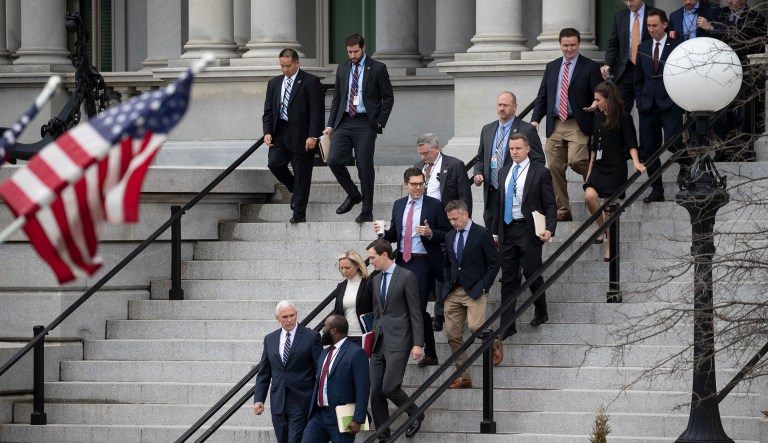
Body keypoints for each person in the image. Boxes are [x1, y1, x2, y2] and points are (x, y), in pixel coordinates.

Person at [372, 167, 450, 368]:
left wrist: (431, 232)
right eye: (414, 184)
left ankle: (420, 347)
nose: (418, 187)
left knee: (417, 306)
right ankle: (427, 351)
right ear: (405, 185)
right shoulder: (399, 205)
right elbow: (396, 234)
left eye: (421, 183)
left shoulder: (434, 205)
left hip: (423, 262)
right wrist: (383, 234)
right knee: (409, 307)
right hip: (402, 261)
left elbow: (447, 233)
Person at [491, 133, 557, 361]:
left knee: (531, 271)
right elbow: (498, 203)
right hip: (508, 229)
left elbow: (550, 203)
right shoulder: (503, 172)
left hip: (529, 229)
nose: (514, 152)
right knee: (508, 277)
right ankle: (507, 324)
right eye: (511, 149)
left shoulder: (540, 172)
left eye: (518, 148)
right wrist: (495, 230)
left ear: (528, 149)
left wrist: (550, 227)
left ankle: (541, 310)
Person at [531, 28, 602, 222]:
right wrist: (536, 119)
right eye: (565, 45)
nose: (569, 49)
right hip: (555, 123)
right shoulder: (552, 66)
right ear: (560, 45)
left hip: (577, 122)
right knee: (554, 165)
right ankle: (562, 209)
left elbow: (600, 93)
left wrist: (596, 104)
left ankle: (599, 177)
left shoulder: (590, 66)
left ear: (578, 44)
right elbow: (543, 96)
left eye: (573, 45)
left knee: (576, 160)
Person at [323, 34, 395, 223]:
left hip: (365, 122)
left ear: (363, 48)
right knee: (333, 160)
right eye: (349, 52)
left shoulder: (378, 68)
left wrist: (380, 121)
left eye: (356, 51)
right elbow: (337, 98)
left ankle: (367, 209)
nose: (353, 55)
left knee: (364, 166)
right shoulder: (343, 68)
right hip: (344, 121)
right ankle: (353, 194)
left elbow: (388, 97)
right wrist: (330, 125)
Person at [413, 132, 473, 332]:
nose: (423, 157)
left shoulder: (454, 165)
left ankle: (440, 314)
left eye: (426, 153)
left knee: (443, 271)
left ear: (436, 148)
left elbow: (465, 196)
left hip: (447, 224)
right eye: (421, 153)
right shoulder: (418, 167)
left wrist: (462, 224)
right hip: (423, 225)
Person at [366, 239, 425, 440]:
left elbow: (415, 311)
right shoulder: (375, 279)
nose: (370, 261)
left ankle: (415, 412)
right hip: (378, 342)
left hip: (400, 340)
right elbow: (376, 312)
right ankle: (383, 436)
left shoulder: (407, 276)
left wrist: (417, 343)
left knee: (389, 387)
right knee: (375, 392)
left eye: (372, 257)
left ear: (384, 255)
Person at [583, 82, 646, 261]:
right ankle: (602, 228)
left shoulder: (623, 117)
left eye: (598, 100)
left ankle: (611, 247)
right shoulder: (598, 116)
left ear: (608, 99)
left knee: (609, 207)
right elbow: (594, 147)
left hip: (616, 167)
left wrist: (636, 162)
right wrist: (589, 171)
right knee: (589, 196)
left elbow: (631, 142)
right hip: (599, 166)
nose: (595, 103)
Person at [441, 199, 500, 386]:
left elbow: (494, 262)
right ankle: (464, 376)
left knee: (476, 328)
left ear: (465, 214)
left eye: (455, 218)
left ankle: (494, 341)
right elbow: (447, 263)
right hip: (453, 291)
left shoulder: (482, 233)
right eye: (450, 219)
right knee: (452, 334)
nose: (453, 222)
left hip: (475, 290)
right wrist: (447, 281)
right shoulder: (449, 236)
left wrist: (484, 286)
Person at [262, 48, 325, 224]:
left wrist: (313, 136)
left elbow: (317, 112)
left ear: (297, 63)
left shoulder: (311, 82)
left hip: (302, 134)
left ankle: (299, 213)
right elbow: (268, 110)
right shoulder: (274, 83)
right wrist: (267, 131)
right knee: (274, 163)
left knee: (302, 173)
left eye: (288, 66)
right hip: (280, 132)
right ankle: (296, 190)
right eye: (282, 66)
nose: (285, 70)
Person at [634, 8, 690, 203]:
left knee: (674, 142)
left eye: (654, 25)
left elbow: (685, 76)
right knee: (649, 150)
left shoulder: (677, 46)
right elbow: (638, 79)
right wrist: (639, 101)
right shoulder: (642, 47)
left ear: (665, 25)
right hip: (648, 106)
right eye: (648, 25)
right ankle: (656, 190)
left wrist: (680, 100)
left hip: (670, 103)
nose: (651, 29)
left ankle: (687, 165)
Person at [706, 0, 767, 161]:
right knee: (722, 110)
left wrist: (713, 28)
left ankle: (743, 150)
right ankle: (723, 150)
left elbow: (742, 37)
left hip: (746, 70)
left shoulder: (755, 17)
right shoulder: (720, 14)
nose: (729, 0)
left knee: (744, 110)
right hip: (721, 70)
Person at [254, 301, 323, 443]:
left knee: (295, 439)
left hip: (301, 400)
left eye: (292, 315)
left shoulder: (311, 336)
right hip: (278, 401)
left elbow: (321, 370)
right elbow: (264, 373)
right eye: (285, 317)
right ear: (277, 318)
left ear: (297, 314)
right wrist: (259, 399)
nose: (290, 320)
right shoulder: (270, 339)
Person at [474, 91, 544, 230]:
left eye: (505, 105)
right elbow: (480, 158)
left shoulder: (527, 129)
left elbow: (539, 160)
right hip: (493, 193)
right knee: (492, 238)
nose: (501, 108)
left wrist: (524, 178)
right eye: (499, 105)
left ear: (515, 107)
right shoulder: (487, 129)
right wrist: (477, 172)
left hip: (516, 193)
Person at [301, 315, 370, 443]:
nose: (322, 329)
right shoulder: (324, 352)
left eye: (325, 326)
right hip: (319, 415)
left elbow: (363, 388)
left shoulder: (356, 353)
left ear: (333, 330)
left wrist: (358, 419)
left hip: (341, 415)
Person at [601, 0, 653, 112]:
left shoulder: (654, 14)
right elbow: (613, 44)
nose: (629, 3)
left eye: (632, 0)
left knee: (647, 111)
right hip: (625, 70)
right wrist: (608, 64)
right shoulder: (619, 16)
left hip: (647, 70)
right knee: (621, 111)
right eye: (626, 0)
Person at [329, 250, 373, 344]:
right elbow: (337, 311)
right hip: (345, 337)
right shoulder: (341, 286)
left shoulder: (369, 283)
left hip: (363, 335)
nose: (344, 271)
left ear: (357, 266)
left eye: (347, 268)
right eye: (342, 268)